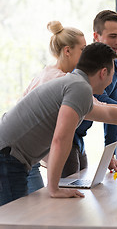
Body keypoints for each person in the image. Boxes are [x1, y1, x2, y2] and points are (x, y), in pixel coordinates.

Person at [0, 42, 117, 206]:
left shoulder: (75, 85)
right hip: (7, 157)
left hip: (9, 155)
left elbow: (109, 113)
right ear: (103, 72)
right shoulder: (79, 88)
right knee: (13, 220)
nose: (113, 79)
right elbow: (61, 138)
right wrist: (54, 189)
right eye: (113, 73)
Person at [24, 21, 87, 194]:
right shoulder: (57, 80)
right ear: (67, 51)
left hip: (30, 156)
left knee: (40, 204)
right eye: (83, 49)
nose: (86, 54)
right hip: (21, 156)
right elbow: (96, 108)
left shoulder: (51, 73)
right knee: (35, 207)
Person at [70, 9, 117, 179]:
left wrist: (110, 153)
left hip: (79, 138)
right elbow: (105, 105)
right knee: (69, 192)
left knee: (84, 187)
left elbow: (113, 113)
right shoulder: (84, 66)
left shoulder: (116, 67)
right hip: (65, 137)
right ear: (96, 36)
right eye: (113, 36)